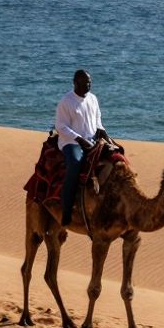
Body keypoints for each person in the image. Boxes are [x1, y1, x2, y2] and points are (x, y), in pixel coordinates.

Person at [55, 69, 108, 226]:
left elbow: (97, 118)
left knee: (116, 157)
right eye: (85, 82)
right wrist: (79, 139)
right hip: (71, 142)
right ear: (75, 83)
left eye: (90, 82)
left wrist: (102, 130)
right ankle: (66, 209)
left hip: (92, 140)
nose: (89, 85)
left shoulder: (93, 99)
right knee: (76, 164)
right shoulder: (66, 101)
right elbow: (60, 126)